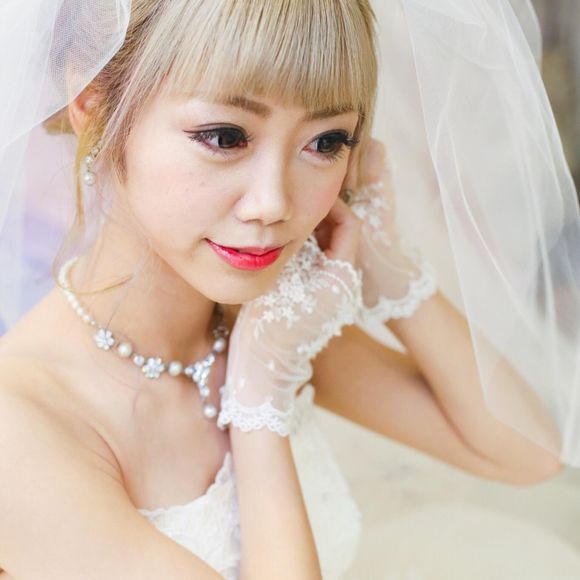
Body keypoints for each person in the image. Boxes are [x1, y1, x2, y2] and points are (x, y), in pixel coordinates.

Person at [0, 1, 577, 579]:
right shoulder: (20, 427)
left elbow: (527, 453)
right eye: (226, 136)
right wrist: (258, 403)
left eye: (325, 143)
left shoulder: (257, 326)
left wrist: (388, 268)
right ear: (94, 106)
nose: (274, 203)